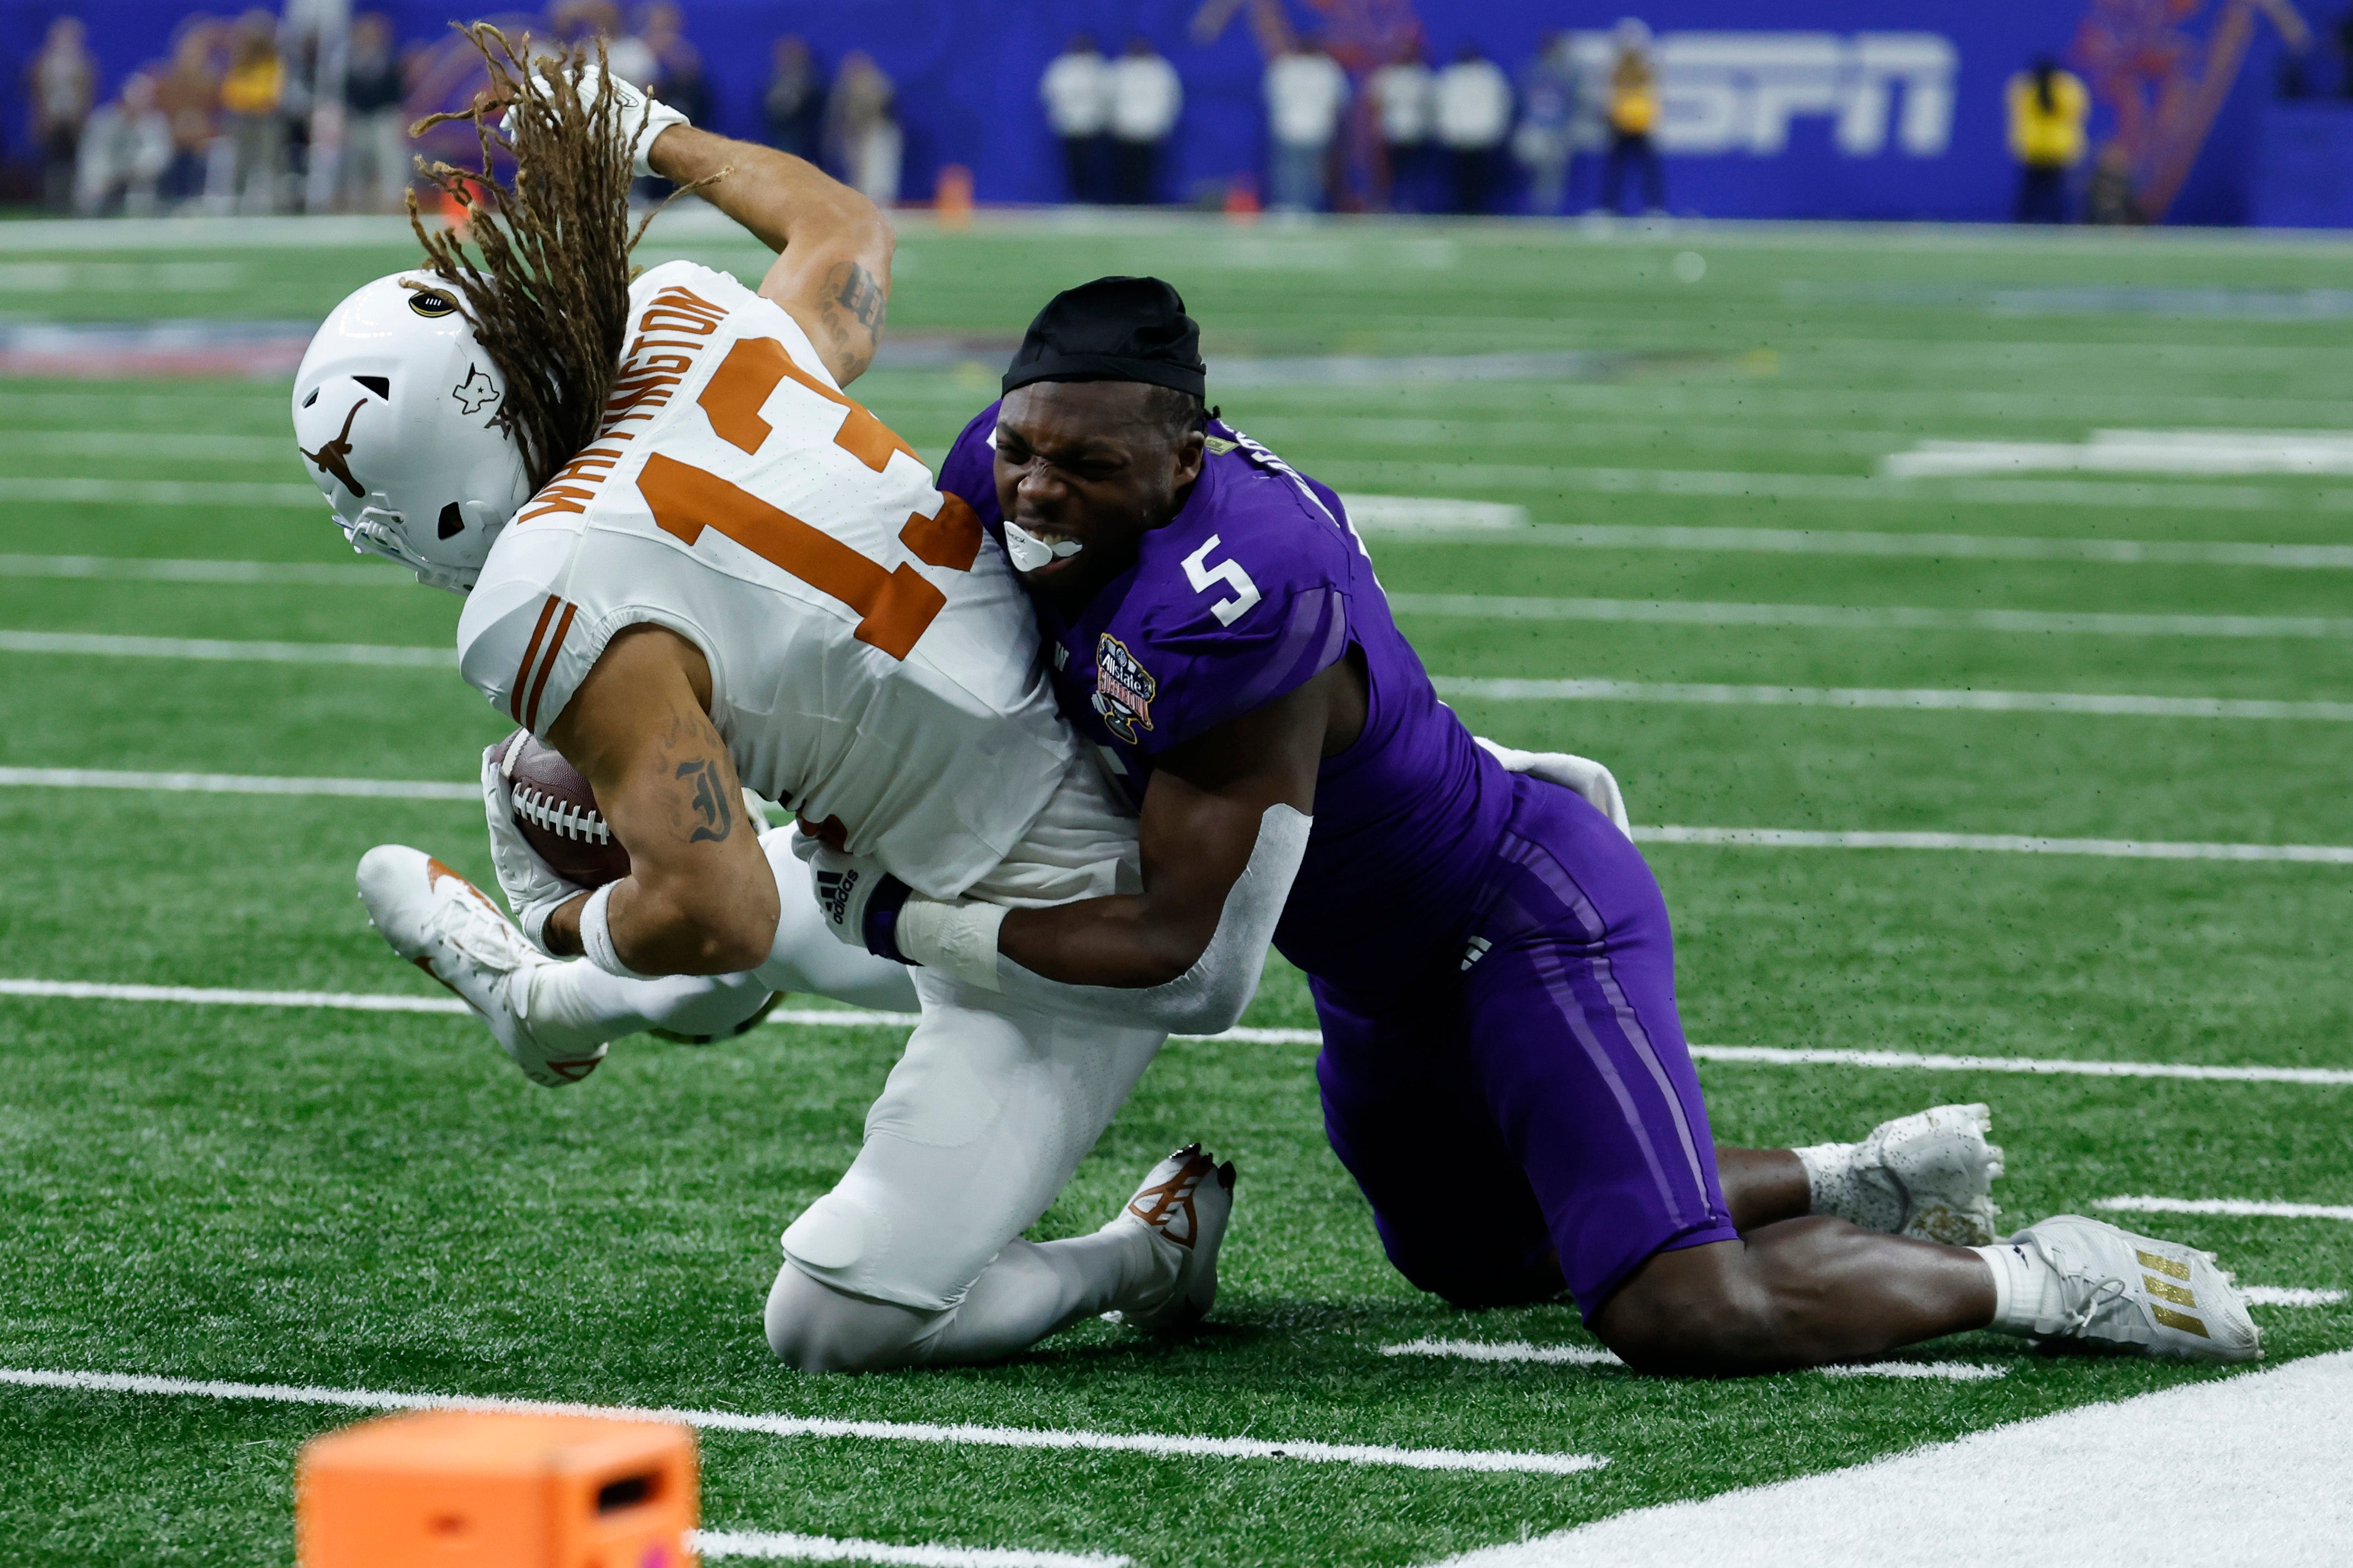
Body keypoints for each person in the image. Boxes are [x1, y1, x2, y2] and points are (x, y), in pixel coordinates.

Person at [907, 274, 2263, 1377]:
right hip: (1379, 968)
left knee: (1675, 1311)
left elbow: (1176, 947)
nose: (1032, 489)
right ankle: (1853, 1178)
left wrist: (896, 914)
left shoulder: (1240, 593)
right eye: (1022, 449)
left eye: (1085, 464)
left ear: (1186, 455)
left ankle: (2038, 1274)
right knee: (1475, 1258)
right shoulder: (1009, 452)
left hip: (1513, 912)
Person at [301, 29, 1239, 1374]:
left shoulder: (539, 592)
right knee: (737, 937)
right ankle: (544, 1005)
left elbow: (714, 907)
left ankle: (1134, 1255)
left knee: (829, 1321)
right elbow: (842, 223)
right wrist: (643, 134)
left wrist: (568, 909)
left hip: (1054, 904)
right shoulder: (687, 322)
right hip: (1116, 734)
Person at [74, 71, 174, 216]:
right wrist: (106, 173)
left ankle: (138, 224)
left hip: (137, 174)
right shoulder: (102, 119)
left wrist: (138, 167)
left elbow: (160, 155)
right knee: (91, 185)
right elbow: (92, 153)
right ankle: (88, 220)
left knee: (142, 189)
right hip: (106, 171)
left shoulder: (156, 122)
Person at [1264, 38, 1347, 212]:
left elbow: (1271, 97)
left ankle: (1291, 208)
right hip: (1318, 130)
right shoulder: (1329, 69)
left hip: (1290, 128)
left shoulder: (1285, 67)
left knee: (1290, 173)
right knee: (1312, 174)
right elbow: (1339, 104)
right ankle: (1308, 209)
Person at [218, 10, 286, 214]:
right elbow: (230, 93)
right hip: (242, 119)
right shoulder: (239, 63)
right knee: (241, 160)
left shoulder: (273, 63)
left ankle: (275, 201)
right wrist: (251, 101)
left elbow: (272, 94)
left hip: (266, 119)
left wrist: (254, 101)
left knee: (269, 155)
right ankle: (237, 201)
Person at [340, 13, 407, 213]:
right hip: (359, 118)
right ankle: (357, 201)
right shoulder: (351, 63)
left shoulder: (388, 62)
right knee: (356, 163)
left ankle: (393, 199)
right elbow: (347, 93)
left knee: (389, 160)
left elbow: (396, 93)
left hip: (382, 118)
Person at [2009, 55, 2089, 223]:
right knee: (2050, 193)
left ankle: (2027, 224)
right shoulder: (2067, 88)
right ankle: (2054, 224)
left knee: (2038, 193)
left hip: (2038, 148)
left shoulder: (2027, 88)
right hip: (2055, 149)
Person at [30, 17, 97, 213]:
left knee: (75, 163)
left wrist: (81, 120)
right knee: (53, 164)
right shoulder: (43, 64)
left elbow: (86, 94)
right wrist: (42, 119)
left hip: (73, 121)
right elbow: (38, 96)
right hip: (53, 121)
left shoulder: (84, 64)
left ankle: (74, 202)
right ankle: (52, 201)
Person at [1433, 43, 1509, 215]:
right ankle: (1461, 207)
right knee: (1459, 176)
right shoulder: (1451, 76)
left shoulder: (1489, 76)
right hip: (1458, 137)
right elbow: (1443, 106)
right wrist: (1448, 131)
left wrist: (1494, 131)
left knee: (1482, 177)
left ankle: (1480, 208)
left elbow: (1499, 105)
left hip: (1483, 136)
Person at [1600, 17, 1664, 215]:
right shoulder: (1616, 69)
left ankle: (1654, 209)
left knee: (1648, 169)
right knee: (1615, 170)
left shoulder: (1647, 68)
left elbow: (1653, 91)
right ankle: (1609, 209)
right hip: (1620, 124)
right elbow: (1611, 94)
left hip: (1642, 124)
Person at [1106, 36, 1182, 205]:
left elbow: (1170, 99)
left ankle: (1146, 202)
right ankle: (1124, 201)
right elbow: (1109, 98)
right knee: (1124, 169)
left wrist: (1163, 124)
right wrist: (1113, 122)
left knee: (1148, 170)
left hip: (1150, 130)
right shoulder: (1120, 69)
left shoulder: (1161, 70)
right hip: (1124, 130)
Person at [157, 22, 223, 208]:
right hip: (173, 134)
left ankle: (195, 197)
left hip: (203, 135)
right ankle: (170, 199)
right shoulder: (167, 78)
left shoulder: (212, 79)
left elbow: (217, 109)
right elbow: (164, 108)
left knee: (197, 151)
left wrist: (197, 124)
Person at [824, 51, 901, 207]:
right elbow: (836, 116)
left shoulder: (878, 85)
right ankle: (863, 206)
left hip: (876, 134)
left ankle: (881, 206)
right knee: (858, 176)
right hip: (854, 137)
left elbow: (883, 108)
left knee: (878, 175)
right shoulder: (843, 90)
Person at [1040, 34, 1110, 204]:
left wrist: (1101, 117)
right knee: (1072, 165)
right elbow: (1050, 93)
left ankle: (1092, 199)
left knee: (1093, 165)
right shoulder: (1061, 67)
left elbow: (1108, 95)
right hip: (1068, 125)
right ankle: (1075, 199)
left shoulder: (1098, 67)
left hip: (1092, 125)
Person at [1514, 31, 1578, 216]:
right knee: (1534, 171)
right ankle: (1532, 210)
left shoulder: (1569, 72)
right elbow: (1520, 101)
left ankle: (1546, 213)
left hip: (1558, 130)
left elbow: (1574, 103)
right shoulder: (1531, 69)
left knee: (1553, 175)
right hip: (1534, 128)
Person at [1368, 40, 1432, 213]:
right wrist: (1377, 129)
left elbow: (1430, 106)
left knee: (1414, 174)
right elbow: (1375, 105)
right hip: (1391, 132)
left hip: (1416, 133)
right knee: (1388, 174)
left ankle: (1411, 207)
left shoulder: (1421, 76)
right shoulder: (1385, 76)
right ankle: (1387, 206)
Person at [763, 36, 824, 162]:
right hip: (780, 136)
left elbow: (814, 110)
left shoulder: (811, 83)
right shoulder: (773, 82)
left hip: (805, 139)